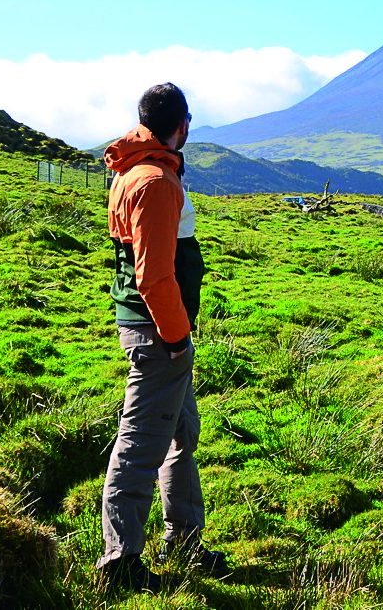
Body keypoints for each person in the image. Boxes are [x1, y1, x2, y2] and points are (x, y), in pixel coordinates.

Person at [96, 83, 227, 593]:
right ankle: (120, 559)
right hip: (158, 334)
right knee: (141, 442)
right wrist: (175, 339)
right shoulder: (154, 181)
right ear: (182, 124)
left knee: (182, 433)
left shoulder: (135, 168)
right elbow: (153, 275)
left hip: (156, 328)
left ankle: (185, 539)